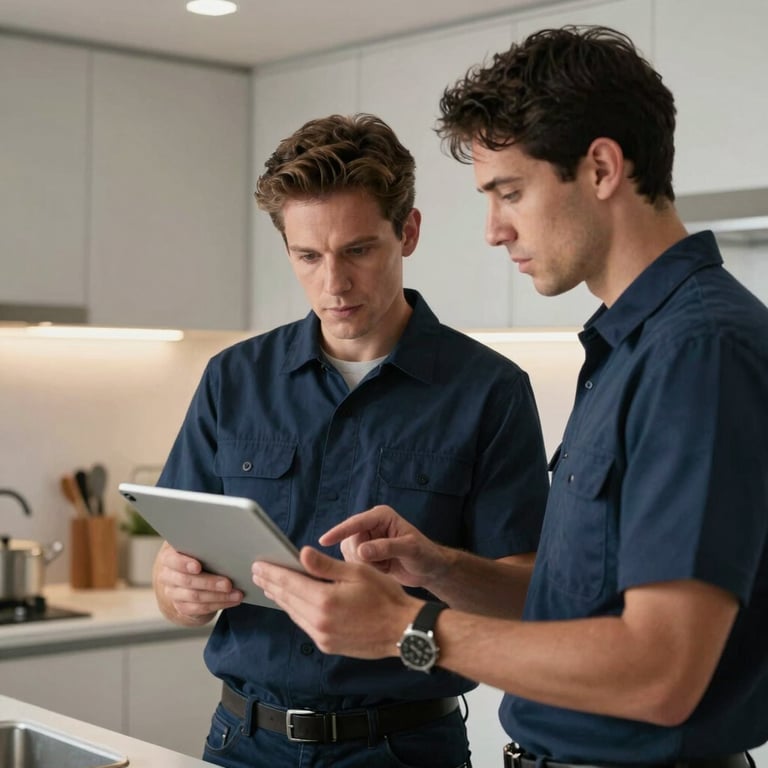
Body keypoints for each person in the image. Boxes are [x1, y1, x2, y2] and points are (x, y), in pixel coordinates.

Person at [251, 26, 768, 768]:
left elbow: (661, 671)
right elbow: (576, 610)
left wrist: (405, 631)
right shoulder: (629, 349)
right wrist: (441, 571)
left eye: (509, 192)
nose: (494, 230)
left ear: (600, 168)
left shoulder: (697, 352)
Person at [152, 113, 550, 768]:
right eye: (308, 256)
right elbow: (174, 577)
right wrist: (177, 590)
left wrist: (439, 567)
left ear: (408, 232)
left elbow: (529, 593)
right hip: (242, 742)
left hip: (404, 747)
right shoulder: (233, 378)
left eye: (358, 250)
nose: (333, 284)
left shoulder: (490, 390)